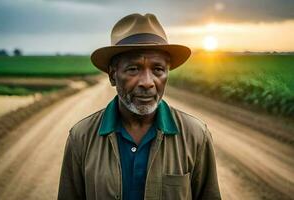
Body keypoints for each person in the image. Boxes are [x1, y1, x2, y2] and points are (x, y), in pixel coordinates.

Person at [58, 13, 221, 200]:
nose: (147, 82)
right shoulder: (81, 137)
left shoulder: (196, 136)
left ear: (167, 74)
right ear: (113, 75)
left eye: (157, 69)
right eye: (133, 69)